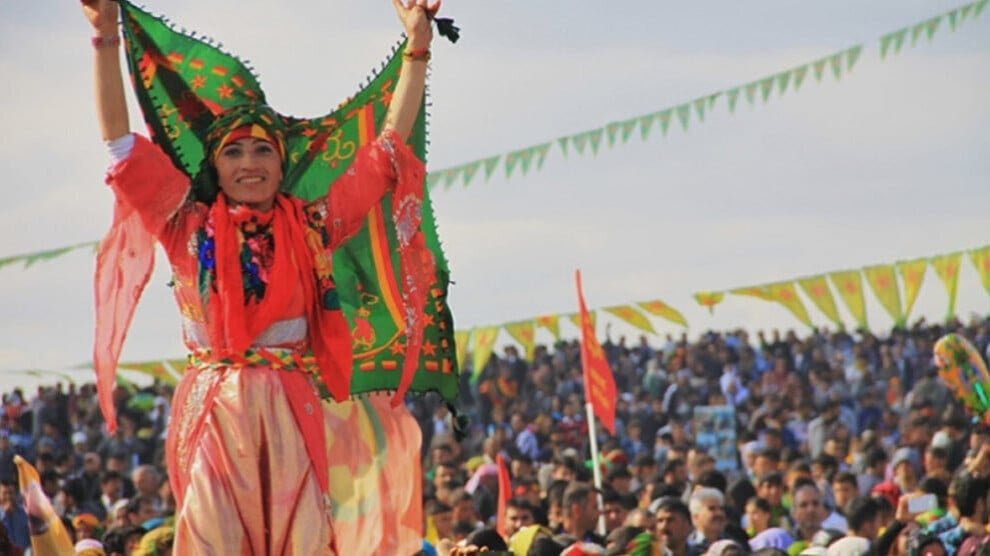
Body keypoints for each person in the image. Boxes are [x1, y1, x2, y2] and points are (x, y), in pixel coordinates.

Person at [79, 0, 449, 553]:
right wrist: (106, 36)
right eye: (234, 152)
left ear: (280, 165)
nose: (249, 163)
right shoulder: (184, 225)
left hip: (290, 408)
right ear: (216, 166)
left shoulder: (314, 227)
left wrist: (418, 49)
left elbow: (385, 153)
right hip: (214, 409)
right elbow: (120, 144)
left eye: (262, 151)